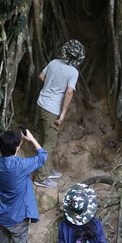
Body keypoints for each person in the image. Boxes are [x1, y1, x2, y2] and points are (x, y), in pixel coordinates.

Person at [33, 39, 85, 188]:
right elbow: (69, 92)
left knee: (44, 139)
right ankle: (41, 178)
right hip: (52, 109)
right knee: (49, 143)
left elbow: (41, 77)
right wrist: (62, 114)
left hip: (41, 103)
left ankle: (47, 170)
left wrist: (51, 86)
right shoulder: (73, 72)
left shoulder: (54, 62)